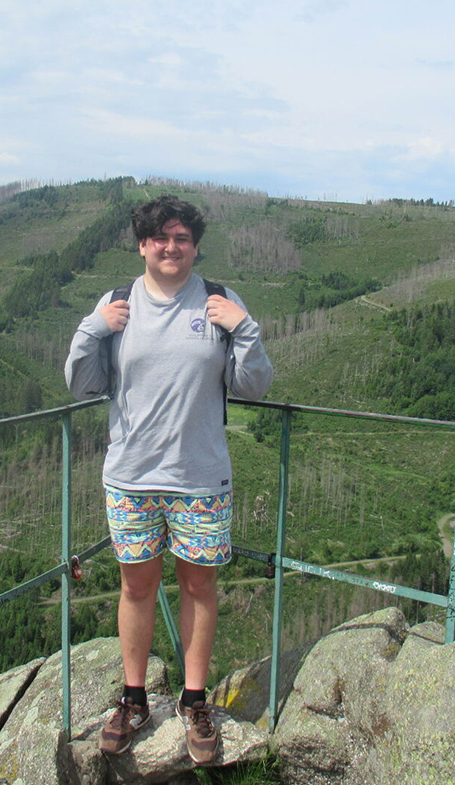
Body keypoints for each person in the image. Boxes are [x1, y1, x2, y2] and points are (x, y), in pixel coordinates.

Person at [64, 195, 273, 765]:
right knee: (136, 587)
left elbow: (254, 387)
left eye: (181, 238)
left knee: (200, 587)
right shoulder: (117, 305)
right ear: (142, 244)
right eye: (160, 237)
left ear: (195, 246)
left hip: (200, 478)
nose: (171, 247)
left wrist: (245, 329)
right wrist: (92, 329)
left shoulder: (220, 303)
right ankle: (133, 699)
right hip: (131, 476)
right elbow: (81, 384)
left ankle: (194, 700)